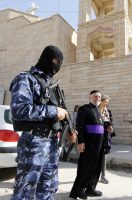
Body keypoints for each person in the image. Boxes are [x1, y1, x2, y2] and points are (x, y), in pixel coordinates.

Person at [9, 45, 76, 200]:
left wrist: (71, 131)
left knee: (48, 188)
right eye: (55, 61)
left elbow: (63, 111)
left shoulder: (53, 85)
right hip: (34, 142)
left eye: (60, 63)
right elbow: (19, 110)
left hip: (52, 144)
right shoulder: (25, 78)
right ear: (45, 58)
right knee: (25, 192)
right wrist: (53, 111)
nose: (57, 66)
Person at [69, 90, 104, 199]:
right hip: (89, 143)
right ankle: (78, 191)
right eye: (95, 96)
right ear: (90, 97)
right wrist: (81, 141)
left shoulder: (98, 110)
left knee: (97, 167)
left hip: (100, 143)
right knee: (86, 167)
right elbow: (79, 126)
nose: (97, 98)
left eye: (99, 97)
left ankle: (91, 188)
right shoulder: (84, 109)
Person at [98, 95, 116, 184]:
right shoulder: (95, 111)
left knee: (104, 155)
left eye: (107, 102)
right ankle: (92, 175)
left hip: (105, 136)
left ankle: (103, 176)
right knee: (95, 157)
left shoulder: (108, 111)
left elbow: (110, 121)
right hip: (96, 136)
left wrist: (110, 126)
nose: (107, 104)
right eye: (105, 102)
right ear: (101, 101)